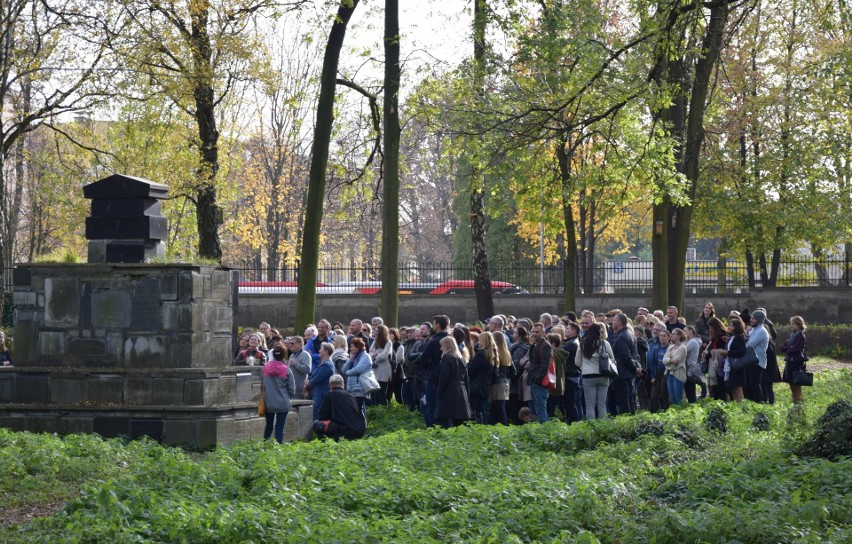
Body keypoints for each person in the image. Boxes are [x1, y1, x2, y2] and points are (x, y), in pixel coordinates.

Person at [575, 323, 614, 420]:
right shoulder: (605, 344)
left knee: (590, 406)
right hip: (603, 375)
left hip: (588, 376)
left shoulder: (583, 344)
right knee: (601, 405)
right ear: (599, 333)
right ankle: (603, 428)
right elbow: (612, 360)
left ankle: (591, 429)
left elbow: (577, 362)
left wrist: (583, 368)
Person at [313, 374, 367, 441]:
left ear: (330, 385)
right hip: (359, 431)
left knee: (316, 424)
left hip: (343, 432)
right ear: (343, 384)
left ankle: (325, 443)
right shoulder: (352, 397)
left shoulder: (329, 396)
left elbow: (323, 417)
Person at [434, 336, 472, 428]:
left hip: (449, 391)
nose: (441, 348)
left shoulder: (446, 358)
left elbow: (444, 377)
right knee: (458, 420)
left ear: (446, 346)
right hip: (461, 390)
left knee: (445, 418)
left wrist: (439, 391)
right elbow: (466, 379)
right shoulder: (462, 359)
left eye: (442, 346)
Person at [261, 346, 296, 444]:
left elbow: (262, 385)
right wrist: (288, 396)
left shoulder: (265, 368)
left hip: (268, 402)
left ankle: (265, 445)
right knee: (280, 427)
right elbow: (292, 389)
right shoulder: (287, 370)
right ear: (284, 355)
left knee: (269, 425)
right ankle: (278, 446)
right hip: (283, 402)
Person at [421, 315, 450, 427]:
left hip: (433, 376)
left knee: (430, 405)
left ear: (437, 325)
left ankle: (434, 428)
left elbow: (424, 358)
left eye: (434, 324)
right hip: (447, 377)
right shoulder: (451, 339)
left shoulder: (434, 341)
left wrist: (428, 365)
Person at [610, 313, 640, 416]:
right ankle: (632, 421)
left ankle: (626, 425)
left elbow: (625, 357)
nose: (612, 323)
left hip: (623, 374)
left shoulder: (622, 337)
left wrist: (634, 369)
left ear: (619, 322)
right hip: (628, 373)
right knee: (630, 400)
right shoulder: (629, 334)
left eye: (614, 320)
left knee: (624, 402)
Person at [526, 323, 553, 423]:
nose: (534, 334)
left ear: (543, 333)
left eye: (537, 332)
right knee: (537, 409)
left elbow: (544, 365)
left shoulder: (545, 345)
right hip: (534, 381)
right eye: (533, 331)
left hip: (540, 382)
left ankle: (545, 431)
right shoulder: (534, 345)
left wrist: (537, 380)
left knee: (541, 409)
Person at [468, 331, 496, 424]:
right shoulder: (492, 354)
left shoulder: (480, 354)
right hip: (485, 386)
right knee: (482, 410)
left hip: (476, 386)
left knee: (473, 410)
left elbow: (471, 370)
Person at [342, 338, 373, 419]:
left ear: (358, 346)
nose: (350, 349)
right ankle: (356, 428)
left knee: (359, 410)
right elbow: (343, 370)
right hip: (352, 389)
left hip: (360, 389)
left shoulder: (365, 356)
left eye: (352, 346)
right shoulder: (354, 358)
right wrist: (350, 360)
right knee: (354, 411)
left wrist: (348, 373)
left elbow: (358, 369)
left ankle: (361, 428)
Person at [490, 330, 515, 425]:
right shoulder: (506, 353)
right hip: (505, 383)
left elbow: (494, 370)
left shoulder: (495, 354)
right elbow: (513, 371)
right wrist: (505, 377)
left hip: (496, 383)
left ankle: (503, 427)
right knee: (500, 407)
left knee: (498, 409)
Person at [780, 315, 807, 404]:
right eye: (791, 324)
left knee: (797, 387)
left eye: (794, 324)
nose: (791, 326)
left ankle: (800, 407)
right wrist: (789, 347)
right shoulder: (792, 335)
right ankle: (796, 406)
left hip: (796, 363)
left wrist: (788, 347)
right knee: (792, 386)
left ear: (799, 325)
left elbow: (795, 348)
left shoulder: (801, 336)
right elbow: (782, 348)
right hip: (789, 362)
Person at [744, 310, 770, 403]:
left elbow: (749, 345)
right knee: (750, 385)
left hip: (758, 362)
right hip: (751, 362)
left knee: (755, 385)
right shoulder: (754, 329)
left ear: (759, 320)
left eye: (753, 318)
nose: (751, 320)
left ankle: (758, 404)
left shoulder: (761, 331)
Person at [561, 322, 583, 422]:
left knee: (570, 403)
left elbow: (559, 352)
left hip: (570, 377)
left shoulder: (571, 344)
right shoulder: (573, 342)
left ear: (574, 331)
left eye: (568, 328)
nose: (565, 330)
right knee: (571, 403)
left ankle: (573, 424)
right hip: (572, 376)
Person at [721, 317, 748, 401]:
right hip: (731, 365)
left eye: (731, 325)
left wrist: (727, 353)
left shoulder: (739, 337)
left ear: (736, 327)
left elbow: (741, 352)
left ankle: (741, 408)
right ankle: (736, 406)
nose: (728, 326)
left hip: (737, 366)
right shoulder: (732, 337)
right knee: (733, 388)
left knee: (737, 388)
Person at [306, 343, 336, 415]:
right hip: (316, 393)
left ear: (326, 351)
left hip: (320, 394)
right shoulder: (322, 363)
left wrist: (308, 383)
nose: (319, 351)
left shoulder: (327, 365)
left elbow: (317, 378)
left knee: (316, 414)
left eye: (321, 349)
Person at [702, 317, 728, 400]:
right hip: (713, 362)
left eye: (712, 328)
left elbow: (721, 350)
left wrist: (709, 352)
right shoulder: (713, 336)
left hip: (720, 364)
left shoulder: (722, 335)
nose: (710, 330)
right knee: (714, 385)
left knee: (721, 386)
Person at [369, 324, 394, 405]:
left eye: (377, 331)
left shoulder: (388, 343)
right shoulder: (375, 342)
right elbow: (370, 352)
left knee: (381, 393)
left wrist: (375, 356)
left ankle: (383, 411)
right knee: (374, 393)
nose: (375, 332)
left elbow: (384, 355)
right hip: (375, 370)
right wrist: (374, 356)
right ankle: (375, 410)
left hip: (383, 371)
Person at [663, 328, 688, 406]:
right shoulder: (670, 347)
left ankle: (682, 415)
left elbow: (676, 363)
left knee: (679, 398)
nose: (671, 335)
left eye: (674, 334)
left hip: (678, 375)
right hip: (669, 375)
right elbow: (664, 360)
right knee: (672, 398)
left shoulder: (682, 348)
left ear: (679, 336)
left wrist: (668, 363)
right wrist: (670, 361)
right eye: (672, 333)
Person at [683, 326, 704, 402]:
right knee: (688, 390)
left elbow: (681, 351)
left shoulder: (693, 342)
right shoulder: (687, 341)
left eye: (685, 331)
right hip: (686, 367)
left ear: (691, 331)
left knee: (690, 391)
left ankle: (693, 407)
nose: (683, 333)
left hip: (690, 368)